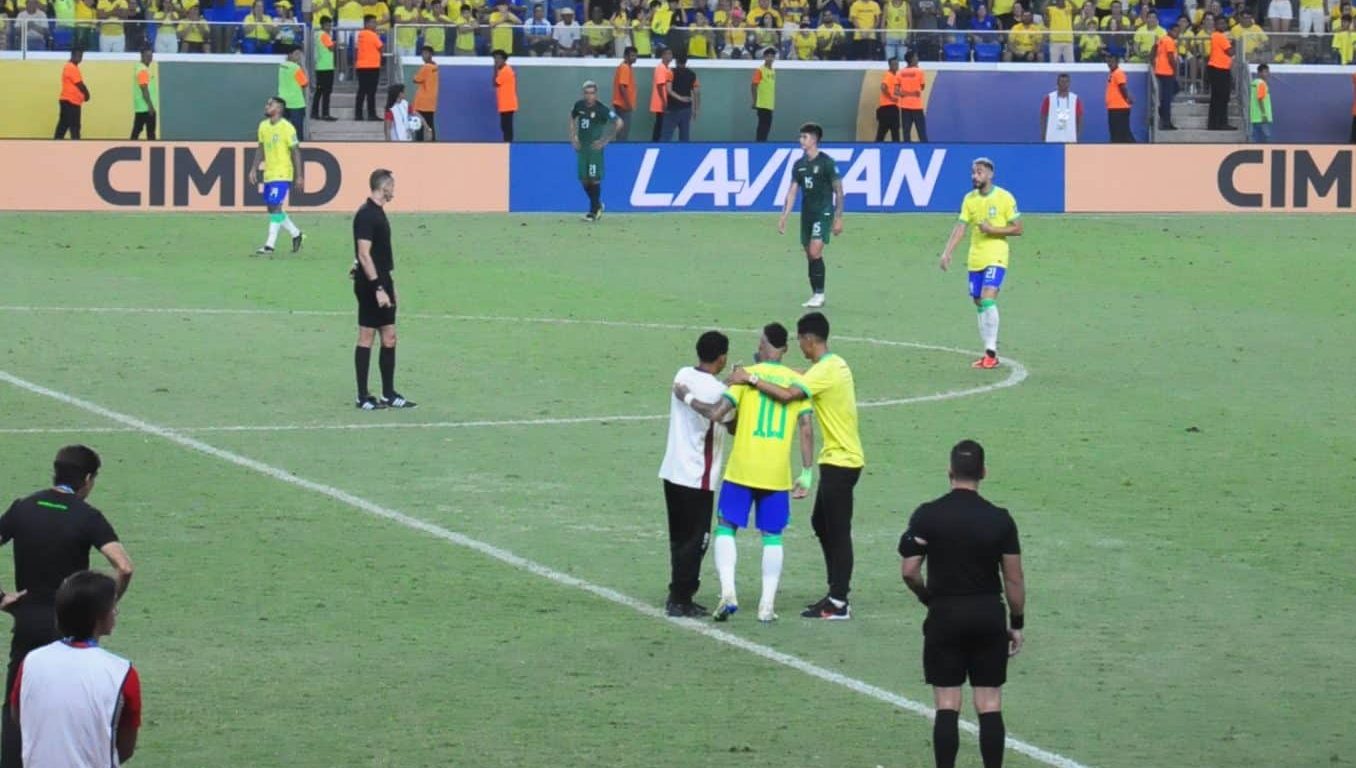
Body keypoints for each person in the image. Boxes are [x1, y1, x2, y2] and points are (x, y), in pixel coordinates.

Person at [0, 445, 135, 768]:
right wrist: (102, 605)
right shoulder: (87, 516)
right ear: (87, 479)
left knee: (18, 705)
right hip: (68, 624)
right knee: (73, 703)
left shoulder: (23, 507)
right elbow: (124, 567)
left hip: (28, 621)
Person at [675, 323, 815, 624]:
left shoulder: (744, 377)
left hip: (742, 469)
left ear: (763, 345)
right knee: (772, 537)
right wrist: (806, 472)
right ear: (785, 348)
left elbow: (717, 414)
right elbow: (806, 428)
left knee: (726, 528)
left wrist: (687, 396)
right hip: (776, 473)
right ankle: (766, 605)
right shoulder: (797, 381)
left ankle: (728, 592)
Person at [727, 312, 863, 621]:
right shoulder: (831, 366)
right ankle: (835, 591)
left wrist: (751, 378)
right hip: (839, 459)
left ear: (809, 339)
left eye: (800, 340)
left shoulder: (826, 369)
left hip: (842, 461)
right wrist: (761, 371)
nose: (798, 345)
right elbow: (795, 375)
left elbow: (788, 394)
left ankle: (839, 600)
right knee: (822, 523)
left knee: (837, 530)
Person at [898, 440, 1025, 768]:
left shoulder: (928, 515)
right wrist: (1017, 623)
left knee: (947, 703)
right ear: (984, 472)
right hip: (988, 615)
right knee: (989, 702)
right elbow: (1013, 579)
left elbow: (909, 571)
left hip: (945, 614)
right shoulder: (1000, 519)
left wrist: (928, 598)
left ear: (950, 471)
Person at [10, 571, 141, 768]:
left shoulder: (32, 661)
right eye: (112, 605)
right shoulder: (122, 672)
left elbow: (19, 715)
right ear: (98, 617)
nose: (116, 611)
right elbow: (125, 747)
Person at [658, 331, 732, 618]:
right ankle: (681, 598)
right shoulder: (717, 392)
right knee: (696, 540)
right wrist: (733, 388)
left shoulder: (683, 374)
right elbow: (726, 418)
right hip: (697, 477)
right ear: (722, 358)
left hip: (673, 471)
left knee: (679, 537)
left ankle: (677, 593)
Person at [938, 157, 1023, 369]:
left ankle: (991, 352)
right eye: (973, 172)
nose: (975, 176)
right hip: (976, 258)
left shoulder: (1004, 197)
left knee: (987, 298)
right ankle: (988, 352)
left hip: (997, 255)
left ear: (990, 174)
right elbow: (961, 227)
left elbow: (1018, 228)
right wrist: (947, 252)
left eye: (979, 172)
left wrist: (992, 229)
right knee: (978, 301)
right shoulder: (969, 199)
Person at [352, 169, 416, 411]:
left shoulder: (378, 213)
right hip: (371, 284)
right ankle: (362, 396)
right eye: (392, 185)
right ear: (384, 186)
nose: (394, 190)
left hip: (383, 280)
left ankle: (388, 394)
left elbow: (377, 253)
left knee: (389, 337)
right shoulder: (366, 214)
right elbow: (364, 253)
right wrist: (378, 287)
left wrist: (390, 284)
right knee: (367, 336)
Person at [778, 123, 842, 309]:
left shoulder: (827, 163)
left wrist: (838, 217)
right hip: (807, 213)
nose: (800, 140)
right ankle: (816, 293)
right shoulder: (799, 165)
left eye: (804, 137)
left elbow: (839, 191)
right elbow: (792, 191)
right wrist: (784, 216)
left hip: (824, 211)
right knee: (810, 255)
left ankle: (819, 294)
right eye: (800, 137)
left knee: (815, 251)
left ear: (814, 140)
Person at [246, 97, 305, 257]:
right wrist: (254, 168)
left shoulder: (287, 128)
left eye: (270, 104)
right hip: (269, 173)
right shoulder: (263, 126)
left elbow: (295, 151)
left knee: (274, 205)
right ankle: (296, 234)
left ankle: (269, 245)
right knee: (272, 208)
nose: (266, 106)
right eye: (267, 104)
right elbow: (261, 148)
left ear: (279, 109)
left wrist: (299, 175)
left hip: (283, 173)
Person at [570, 80, 623, 222]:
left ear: (596, 94)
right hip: (582, 148)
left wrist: (605, 140)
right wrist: (573, 137)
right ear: (583, 94)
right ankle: (597, 204)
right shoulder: (579, 105)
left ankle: (593, 211)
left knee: (594, 178)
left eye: (592, 93)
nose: (589, 96)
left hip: (594, 149)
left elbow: (619, 122)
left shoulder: (601, 109)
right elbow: (572, 117)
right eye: (587, 93)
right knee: (583, 179)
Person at [54, 49, 90, 140]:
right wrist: (87, 94)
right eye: (78, 56)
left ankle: (56, 142)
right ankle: (75, 144)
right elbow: (80, 84)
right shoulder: (71, 67)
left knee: (64, 125)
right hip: (70, 101)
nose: (80, 58)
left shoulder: (71, 67)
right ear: (72, 55)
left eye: (81, 56)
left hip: (72, 101)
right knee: (74, 126)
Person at [662, 54, 699, 142]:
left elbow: (668, 90)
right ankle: (684, 151)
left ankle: (663, 151)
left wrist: (680, 98)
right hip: (687, 109)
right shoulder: (692, 74)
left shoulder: (671, 72)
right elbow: (697, 92)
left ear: (676, 61)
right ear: (686, 62)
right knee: (684, 137)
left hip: (673, 108)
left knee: (665, 137)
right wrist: (696, 109)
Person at [1207, 16, 1235, 129]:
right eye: (1220, 23)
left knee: (1217, 98)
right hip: (1219, 69)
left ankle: (1214, 124)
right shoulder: (1219, 36)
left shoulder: (1216, 35)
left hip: (1219, 68)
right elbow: (1230, 52)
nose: (1222, 25)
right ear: (1215, 25)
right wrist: (1234, 42)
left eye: (1224, 23)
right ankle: (1221, 123)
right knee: (1222, 97)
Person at [1040, 72, 1083, 141]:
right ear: (1057, 83)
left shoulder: (1075, 99)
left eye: (1066, 82)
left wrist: (1077, 134)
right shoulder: (1050, 98)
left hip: (1070, 138)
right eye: (1062, 81)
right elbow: (1043, 116)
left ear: (1069, 83)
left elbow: (1079, 118)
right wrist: (1043, 132)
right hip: (1052, 138)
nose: (1064, 84)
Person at [355, 15, 383, 121]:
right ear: (366, 23)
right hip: (372, 66)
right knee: (371, 92)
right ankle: (371, 114)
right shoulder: (372, 35)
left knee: (361, 91)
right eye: (373, 22)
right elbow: (381, 47)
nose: (375, 24)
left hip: (361, 66)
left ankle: (358, 114)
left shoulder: (360, 34)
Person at [1154, 21, 1179, 129]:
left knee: (1167, 96)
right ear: (1170, 31)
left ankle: (1163, 115)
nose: (1177, 34)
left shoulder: (1162, 39)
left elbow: (1154, 49)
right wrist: (1175, 69)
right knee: (1167, 98)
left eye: (1178, 32)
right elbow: (1170, 57)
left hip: (1160, 71)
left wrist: (1153, 61)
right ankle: (1166, 122)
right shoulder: (1169, 41)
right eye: (1175, 31)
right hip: (1167, 72)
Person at [278, 48, 309, 135]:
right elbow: (305, 83)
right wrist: (303, 67)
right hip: (296, 103)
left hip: (282, 101)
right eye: (296, 54)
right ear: (290, 54)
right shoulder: (295, 67)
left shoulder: (282, 65)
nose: (298, 57)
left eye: (299, 54)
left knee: (283, 130)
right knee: (297, 131)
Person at [899, 51, 928, 142]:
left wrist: (906, 93)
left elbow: (897, 90)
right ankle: (925, 149)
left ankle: (907, 148)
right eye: (916, 57)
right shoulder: (919, 71)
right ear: (912, 59)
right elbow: (922, 86)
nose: (917, 59)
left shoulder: (900, 72)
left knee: (906, 132)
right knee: (921, 132)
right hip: (916, 106)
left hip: (905, 106)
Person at [312, 16, 337, 122]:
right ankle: (325, 114)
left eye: (330, 25)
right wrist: (335, 43)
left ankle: (314, 113)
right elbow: (331, 48)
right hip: (326, 67)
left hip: (320, 66)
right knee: (326, 92)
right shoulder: (324, 35)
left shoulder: (317, 34)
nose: (329, 27)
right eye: (327, 25)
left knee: (319, 91)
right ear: (322, 25)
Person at [1104, 54, 1134, 142]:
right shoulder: (1112, 73)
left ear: (1117, 62)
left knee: (1120, 133)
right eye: (1108, 62)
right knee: (1118, 133)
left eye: (1112, 62)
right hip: (1114, 108)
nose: (1110, 64)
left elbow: (1122, 87)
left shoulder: (1118, 73)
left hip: (1119, 108)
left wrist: (1127, 98)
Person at [412, 46, 438, 141]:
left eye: (425, 53)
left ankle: (419, 144)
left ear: (430, 54)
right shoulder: (435, 66)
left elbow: (416, 79)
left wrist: (415, 77)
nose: (423, 56)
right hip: (431, 102)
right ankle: (432, 142)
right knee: (430, 124)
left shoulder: (426, 67)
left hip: (422, 102)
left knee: (419, 125)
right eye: (422, 54)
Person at [130, 47, 157, 140]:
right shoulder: (142, 70)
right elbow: (144, 88)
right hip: (145, 107)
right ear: (142, 56)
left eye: (151, 56)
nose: (149, 58)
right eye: (147, 56)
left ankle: (130, 147)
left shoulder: (142, 68)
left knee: (136, 131)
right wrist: (150, 105)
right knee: (150, 134)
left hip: (142, 107)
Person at [611, 46, 637, 140]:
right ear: (625, 56)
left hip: (621, 105)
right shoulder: (625, 67)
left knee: (621, 131)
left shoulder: (626, 67)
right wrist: (628, 104)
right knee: (623, 132)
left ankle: (619, 146)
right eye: (632, 56)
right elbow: (622, 87)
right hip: (623, 106)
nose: (634, 58)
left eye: (635, 56)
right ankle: (620, 148)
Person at [752, 47, 776, 142]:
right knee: (762, 126)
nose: (770, 58)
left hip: (769, 104)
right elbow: (754, 85)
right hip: (762, 103)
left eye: (772, 56)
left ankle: (763, 143)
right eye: (768, 56)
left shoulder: (773, 71)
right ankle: (759, 144)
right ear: (764, 57)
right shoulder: (760, 70)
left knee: (767, 126)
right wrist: (755, 101)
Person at [492, 49, 518, 142]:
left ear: (504, 60)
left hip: (508, 104)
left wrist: (495, 69)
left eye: (499, 58)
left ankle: (508, 144)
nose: (496, 60)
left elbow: (495, 83)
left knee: (507, 127)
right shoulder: (503, 70)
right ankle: (507, 143)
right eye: (495, 58)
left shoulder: (506, 71)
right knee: (504, 126)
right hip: (504, 104)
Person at [649, 47, 673, 141]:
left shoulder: (668, 69)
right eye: (667, 54)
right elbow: (660, 85)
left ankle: (658, 142)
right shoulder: (661, 68)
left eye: (670, 54)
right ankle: (655, 143)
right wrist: (663, 101)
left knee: (662, 124)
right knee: (660, 124)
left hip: (664, 100)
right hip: (660, 101)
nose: (669, 56)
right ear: (662, 56)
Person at [876, 57, 902, 143]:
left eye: (897, 64)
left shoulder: (895, 76)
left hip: (892, 108)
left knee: (890, 133)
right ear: (890, 65)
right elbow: (883, 87)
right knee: (888, 133)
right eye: (894, 64)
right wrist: (891, 98)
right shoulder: (889, 75)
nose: (896, 66)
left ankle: (877, 147)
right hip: (888, 108)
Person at [1250, 62, 1272, 142]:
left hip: (1254, 117)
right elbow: (1260, 99)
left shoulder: (1254, 83)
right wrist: (1264, 114)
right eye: (1265, 72)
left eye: (1267, 71)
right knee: (1265, 138)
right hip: (1262, 118)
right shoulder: (1262, 84)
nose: (1267, 74)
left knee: (1256, 138)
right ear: (1259, 73)